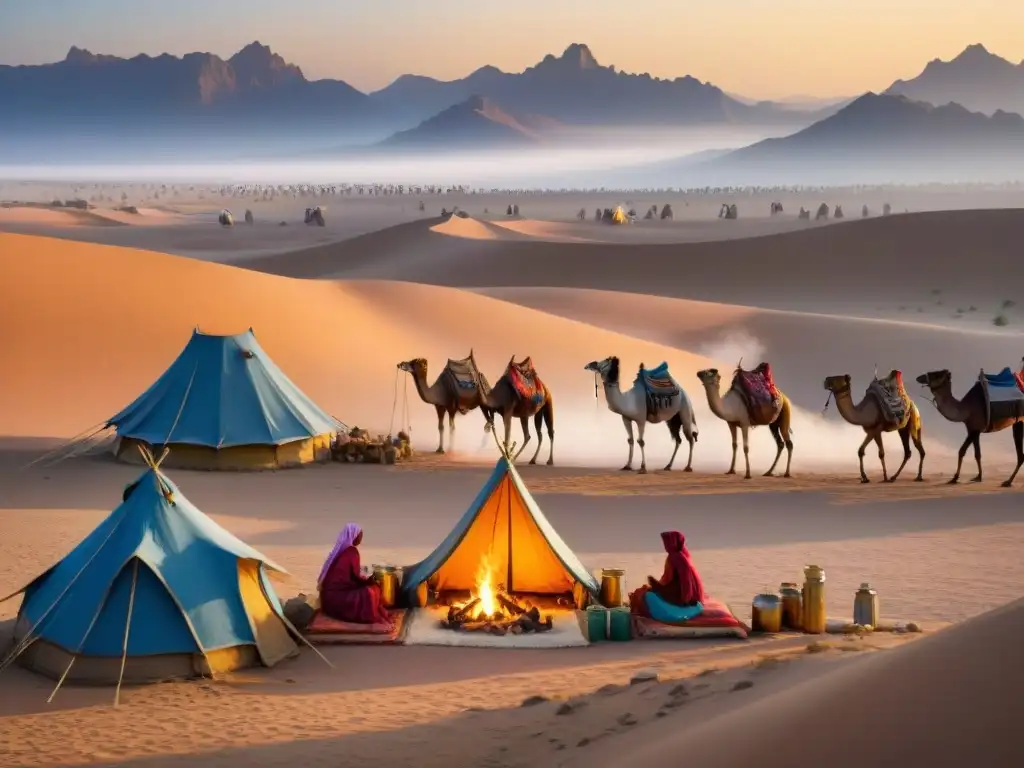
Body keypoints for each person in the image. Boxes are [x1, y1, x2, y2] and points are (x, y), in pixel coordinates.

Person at [317, 523, 392, 625]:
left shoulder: (341, 552)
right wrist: (370, 580)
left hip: (327, 599)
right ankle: (369, 616)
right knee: (371, 592)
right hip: (337, 598)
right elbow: (356, 577)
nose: (361, 538)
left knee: (372, 589)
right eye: (360, 535)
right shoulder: (352, 552)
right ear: (353, 536)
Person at [629, 531, 705, 617]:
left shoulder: (674, 558)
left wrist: (653, 585)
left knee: (645, 595)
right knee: (647, 590)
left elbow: (667, 580)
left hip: (680, 597)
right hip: (688, 597)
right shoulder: (684, 555)